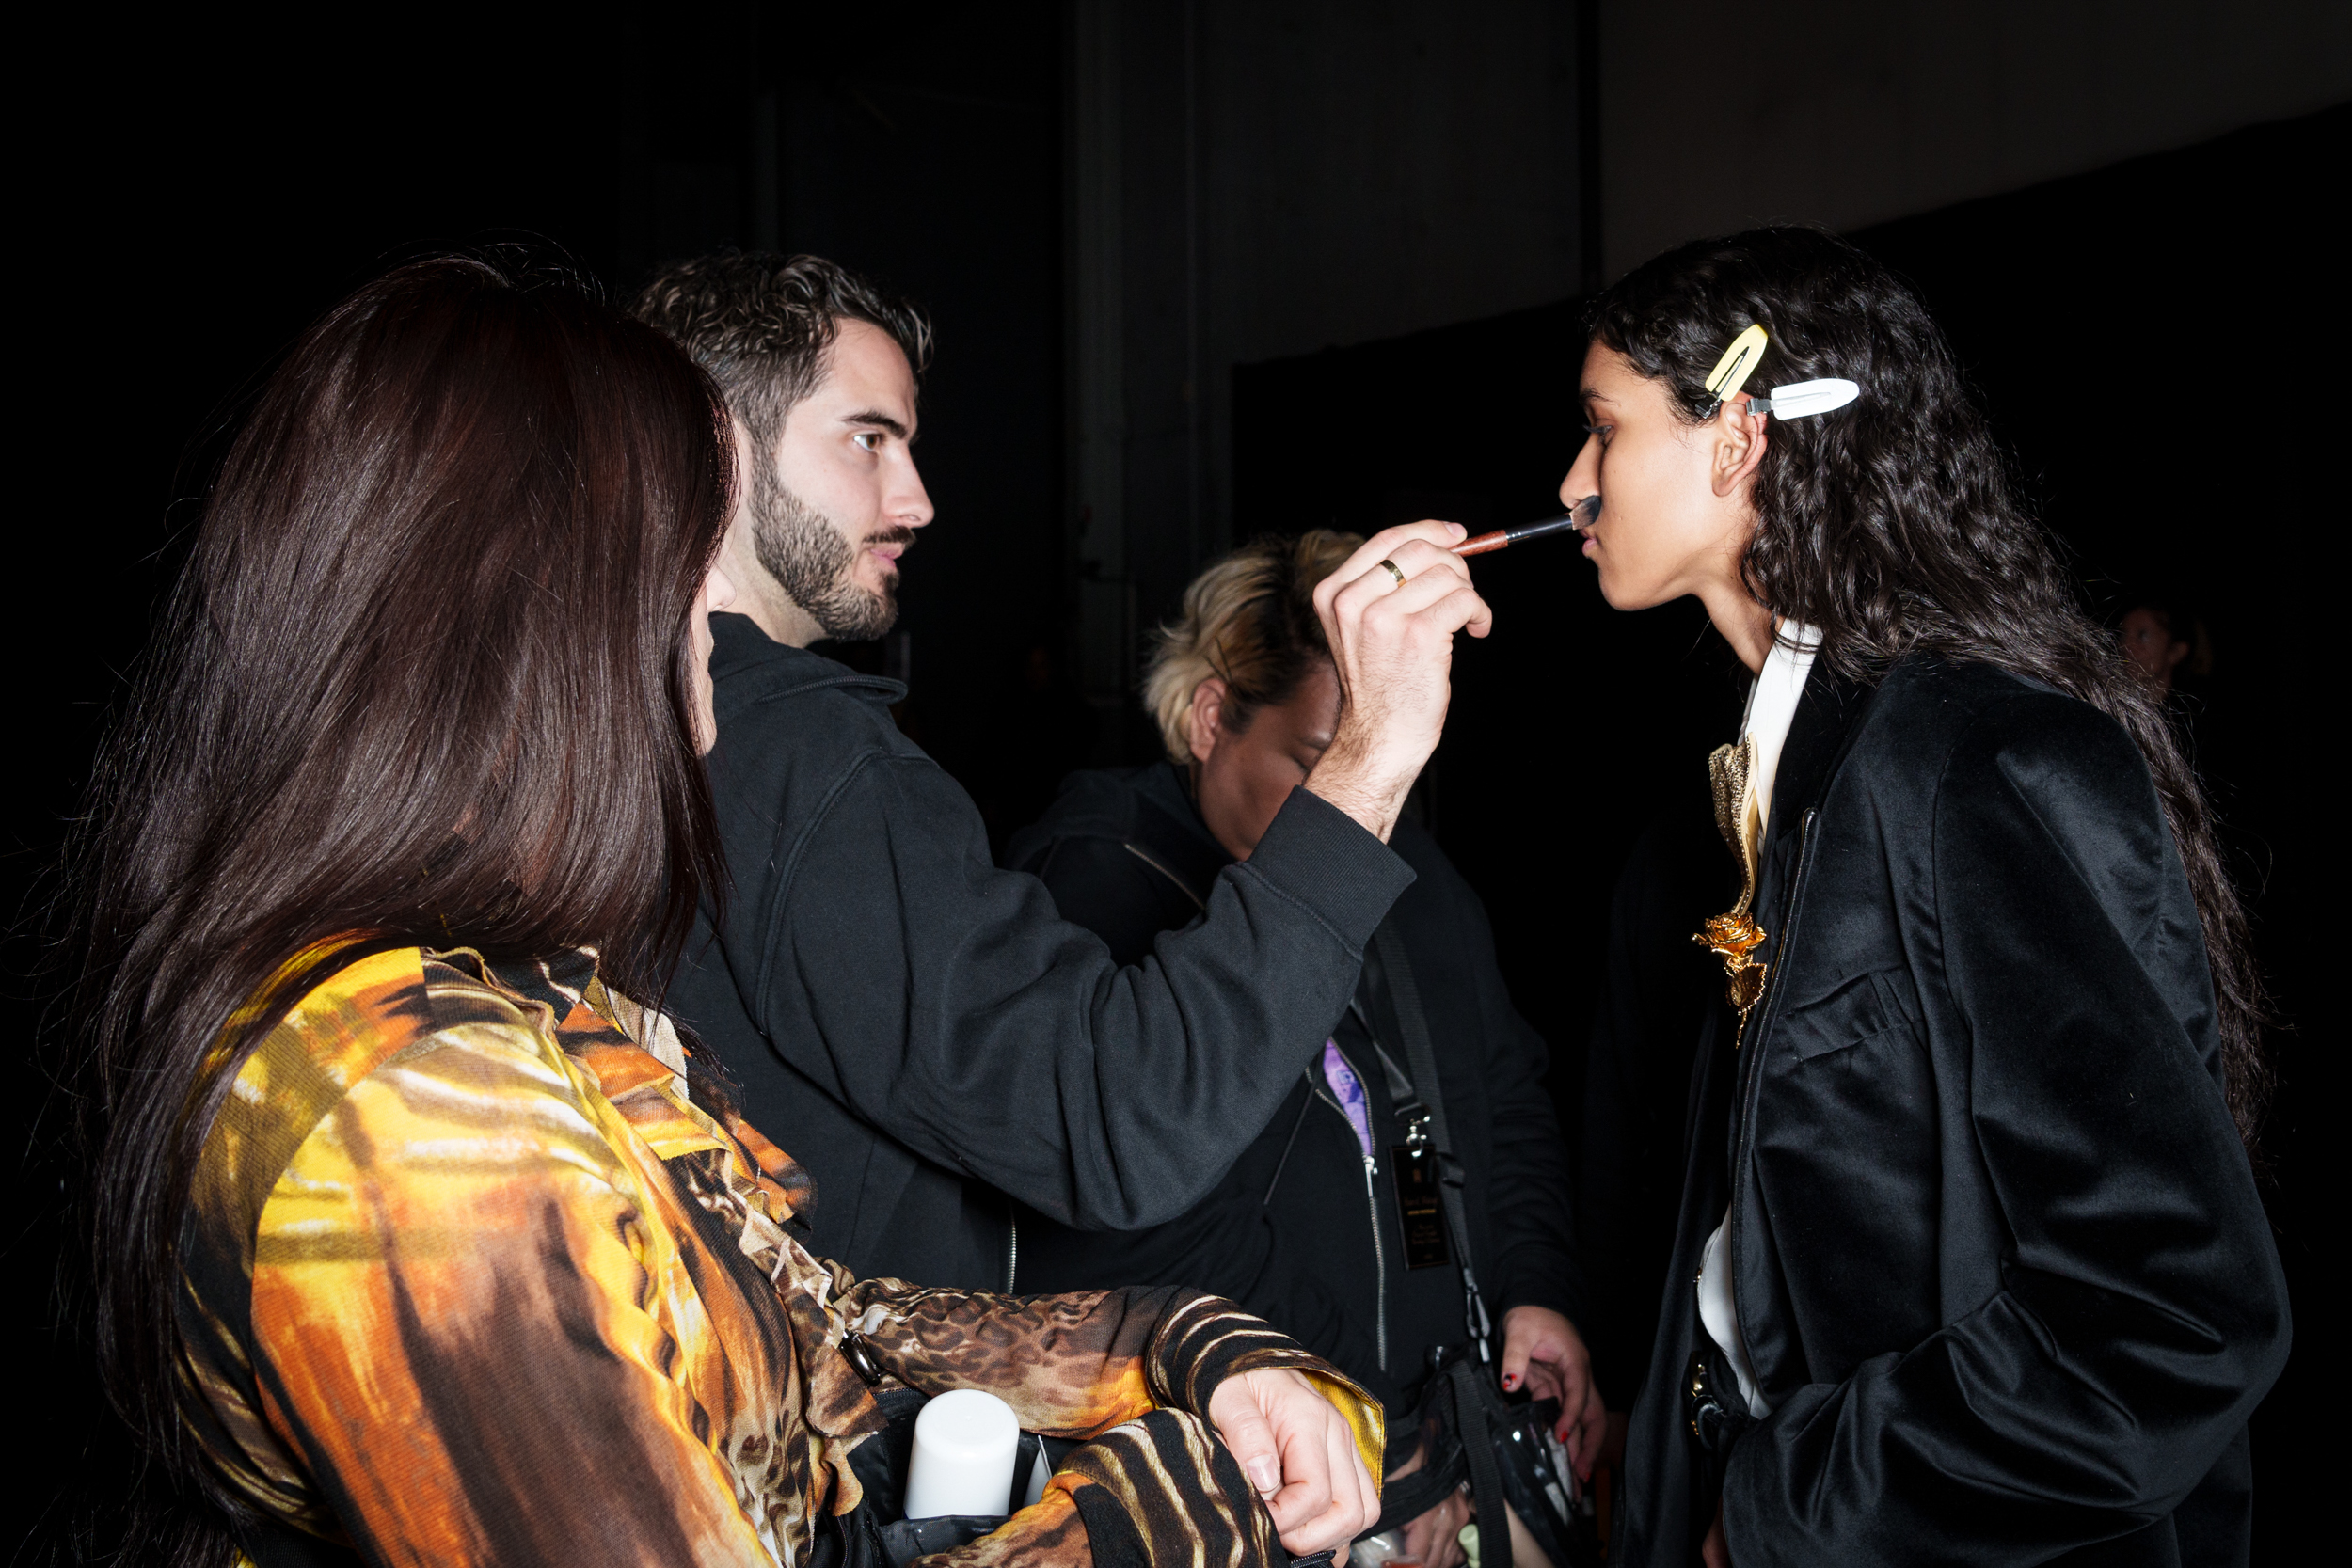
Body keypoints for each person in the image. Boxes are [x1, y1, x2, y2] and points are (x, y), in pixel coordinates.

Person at [61, 257, 1380, 1568]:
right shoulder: (423, 1124)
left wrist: (1176, 1348)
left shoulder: (528, 994)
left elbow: (820, 1313)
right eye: (688, 553)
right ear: (541, 608)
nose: (716, 619)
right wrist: (1184, 1507)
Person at [1558, 229, 2288, 1566]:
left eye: (1603, 432)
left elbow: (2174, 1318)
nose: (1573, 483)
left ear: (1735, 438)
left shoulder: (1977, 763)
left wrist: (1789, 1510)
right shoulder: (1790, 771)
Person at [632, 254, 1491, 1290]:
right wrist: (1365, 764)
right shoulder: (806, 761)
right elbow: (1119, 1118)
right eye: (869, 440)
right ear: (719, 443)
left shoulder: (632, 717)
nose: (917, 501)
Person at [1001, 532, 1601, 1568]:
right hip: (1259, 1476)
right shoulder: (1093, 883)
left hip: (1438, 1439)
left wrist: (1533, 1286)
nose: (1367, 796)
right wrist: (1394, 1442)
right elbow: (1143, 1231)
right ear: (1210, 718)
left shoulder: (1402, 854)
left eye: (1389, 756)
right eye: (1325, 759)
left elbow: (1502, 1087)